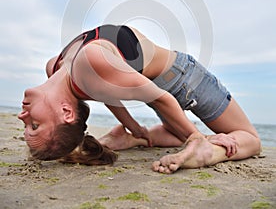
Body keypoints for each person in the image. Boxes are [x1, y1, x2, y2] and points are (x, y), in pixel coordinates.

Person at [18, 24, 261, 172]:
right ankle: (208, 152)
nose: (22, 116)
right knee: (251, 139)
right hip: (182, 79)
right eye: (34, 125)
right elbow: (159, 98)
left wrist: (133, 128)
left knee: (177, 133)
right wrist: (196, 137)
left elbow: (107, 90)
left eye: (27, 125)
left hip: (159, 84)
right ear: (66, 113)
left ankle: (131, 139)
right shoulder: (90, 64)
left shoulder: (55, 67)